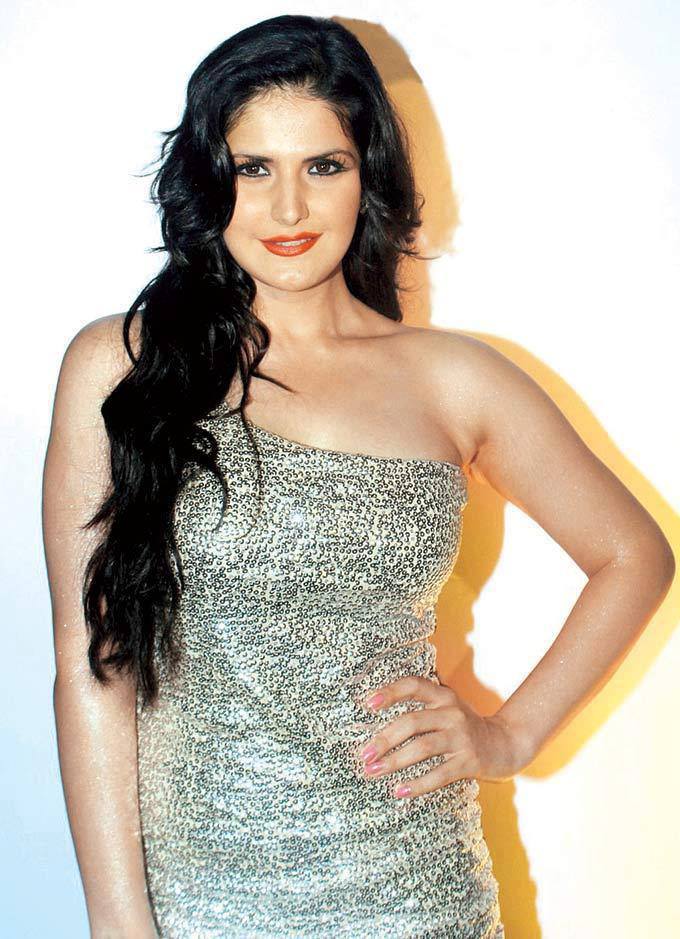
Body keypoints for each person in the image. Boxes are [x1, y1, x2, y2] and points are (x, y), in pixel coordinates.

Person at [42, 14, 675, 939]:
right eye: (253, 167)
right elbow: (91, 664)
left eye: (323, 166)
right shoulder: (123, 367)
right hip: (205, 904)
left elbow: (632, 555)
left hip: (421, 895)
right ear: (208, 178)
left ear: (367, 173)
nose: (289, 209)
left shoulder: (456, 378)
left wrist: (509, 734)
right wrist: (119, 923)